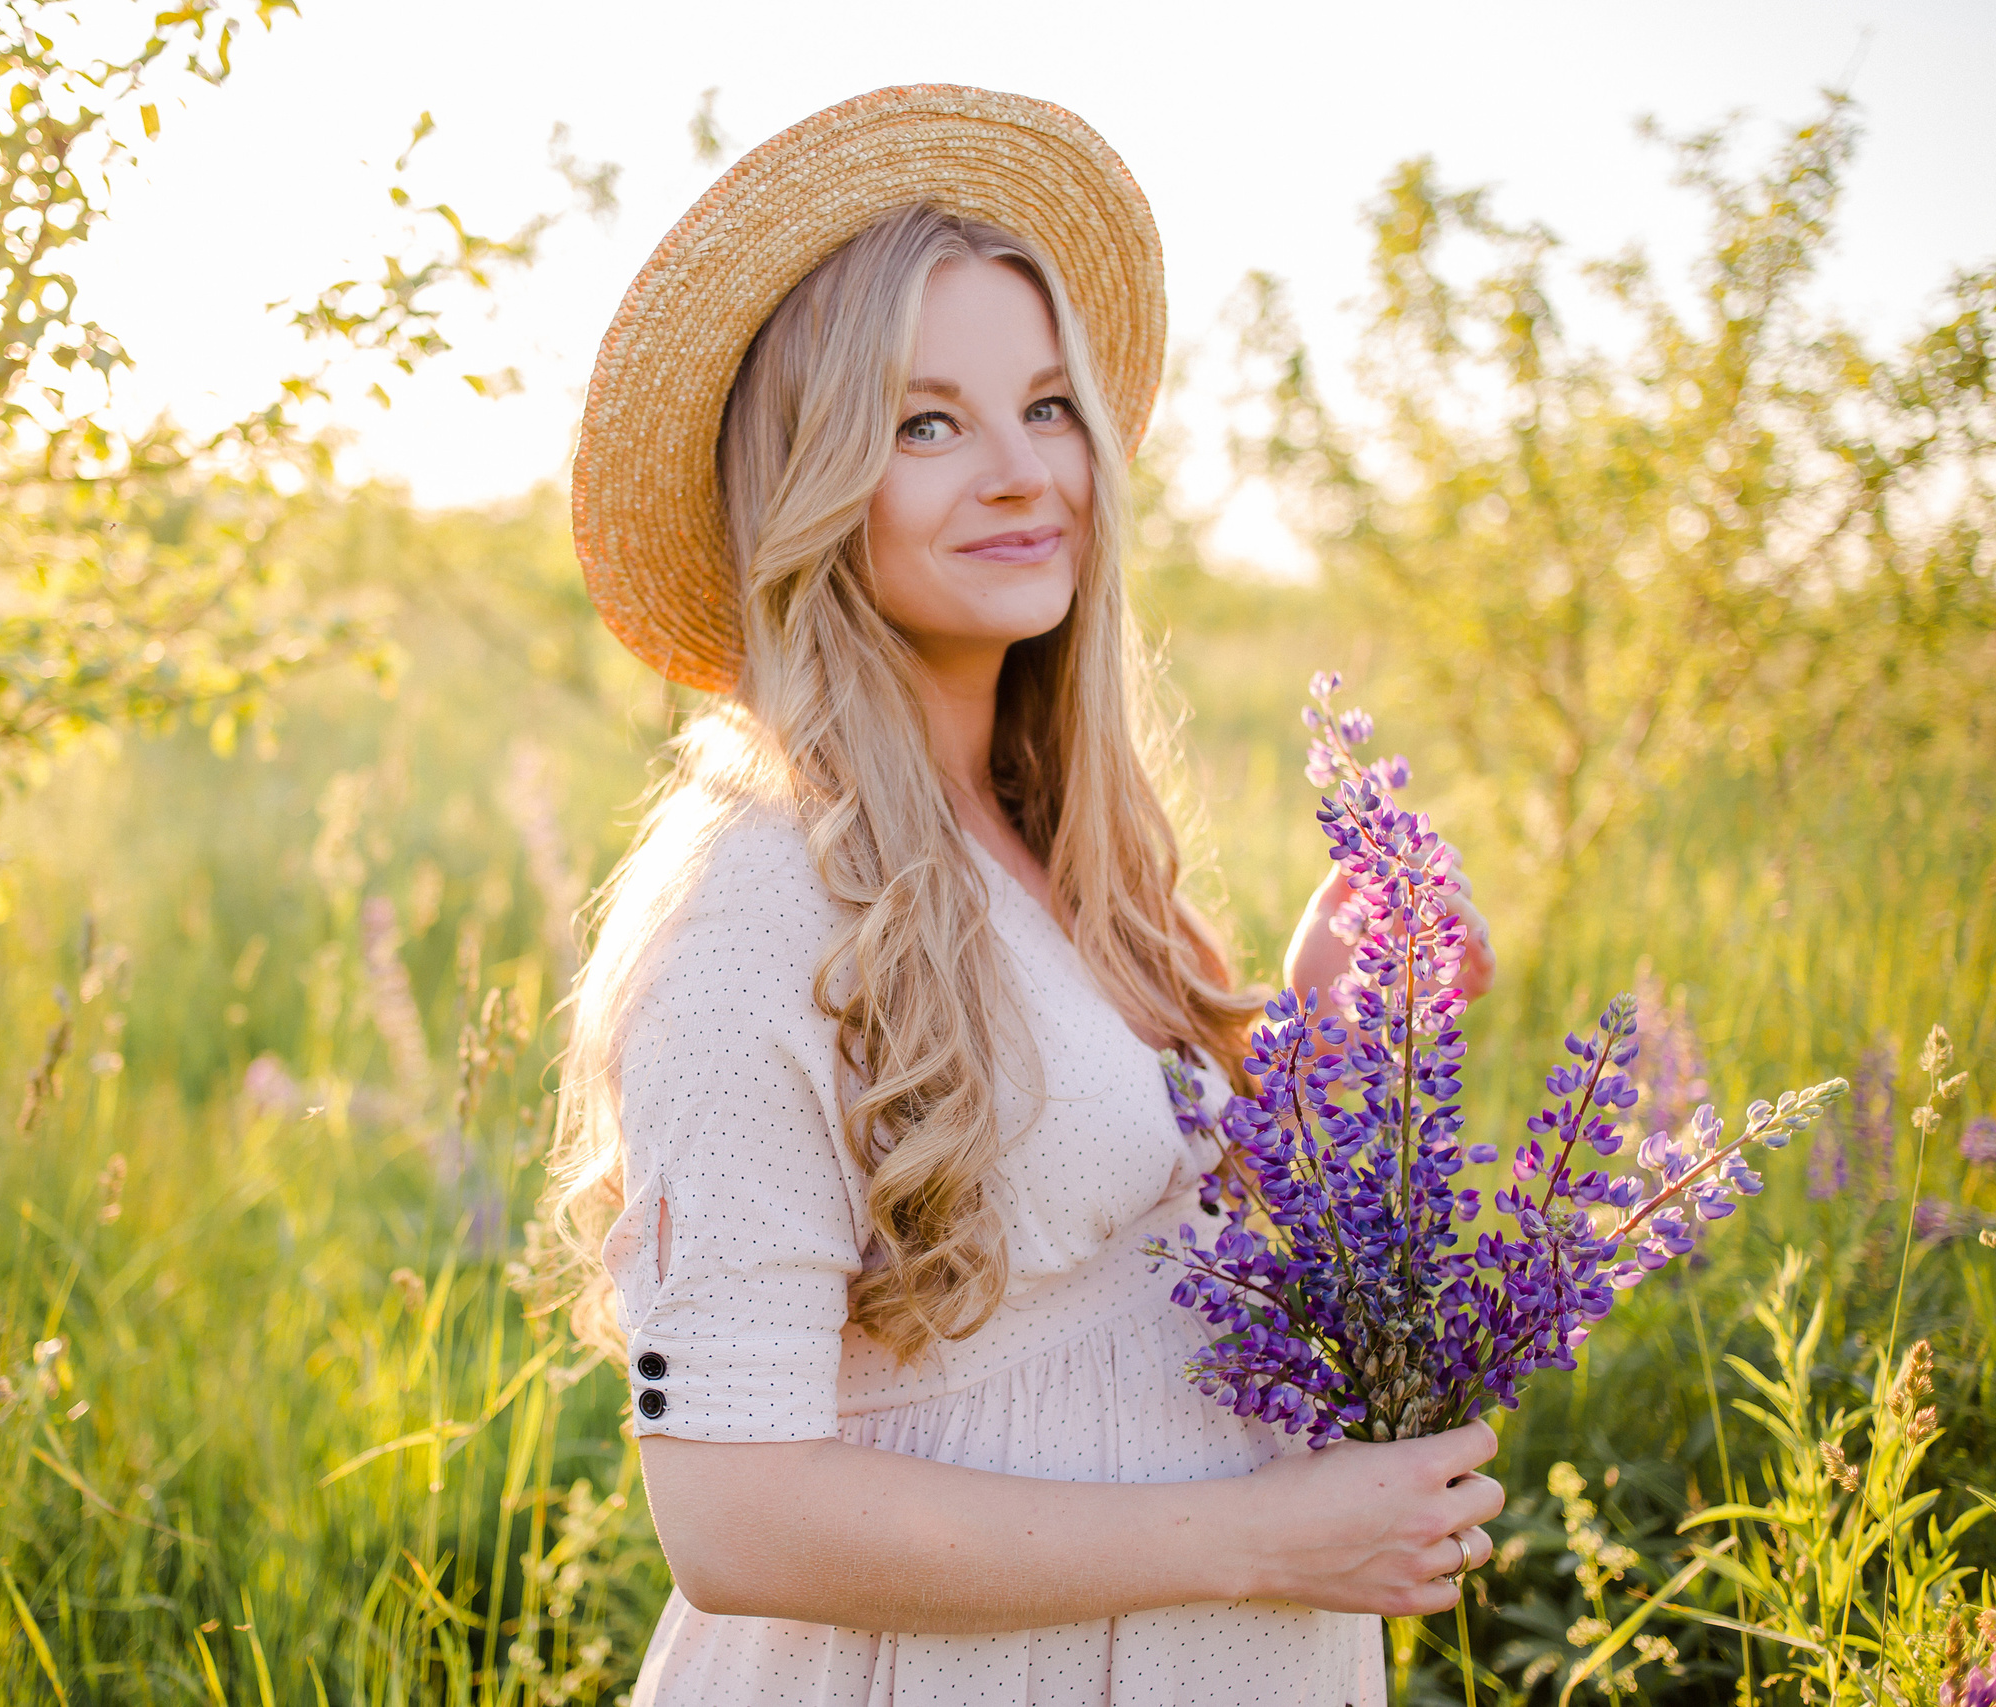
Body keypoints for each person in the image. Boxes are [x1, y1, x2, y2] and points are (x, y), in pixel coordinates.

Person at [542, 85, 1505, 1706]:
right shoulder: (748, 912)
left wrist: (1332, 1024)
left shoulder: (1041, 829)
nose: (1020, 473)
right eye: (925, 424)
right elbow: (733, 1514)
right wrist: (1262, 1543)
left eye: (1048, 407)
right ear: (810, 483)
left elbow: (1113, 1244)